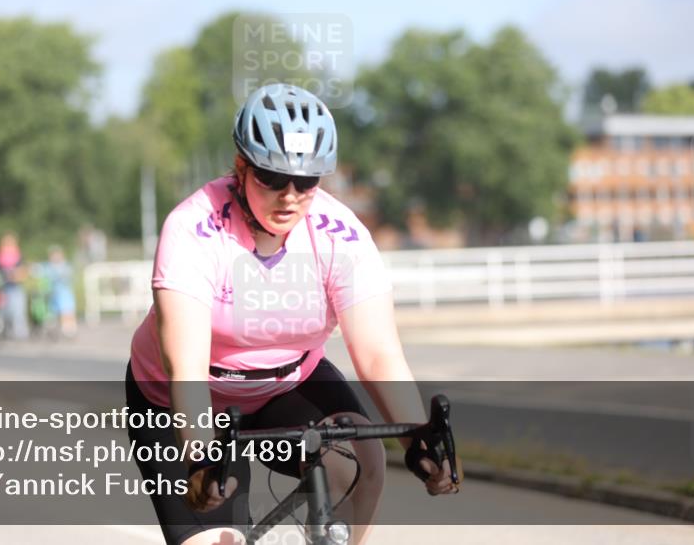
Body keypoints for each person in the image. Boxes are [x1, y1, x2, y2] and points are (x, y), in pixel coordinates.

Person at [126, 84, 457, 545]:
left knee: (361, 456)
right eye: (272, 178)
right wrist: (200, 456)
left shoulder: (340, 235)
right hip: (180, 398)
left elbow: (379, 353)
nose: (290, 195)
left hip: (287, 383)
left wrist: (418, 439)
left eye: (306, 182)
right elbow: (186, 370)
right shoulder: (193, 230)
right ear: (242, 167)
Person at [44, 246, 77, 338]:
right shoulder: (48, 266)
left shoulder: (66, 266)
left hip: (64, 292)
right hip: (53, 293)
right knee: (53, 312)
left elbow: (69, 277)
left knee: (67, 310)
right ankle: (55, 328)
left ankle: (69, 329)